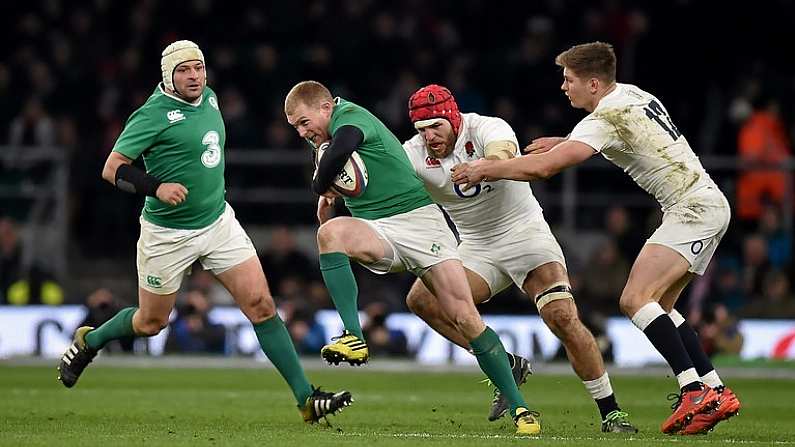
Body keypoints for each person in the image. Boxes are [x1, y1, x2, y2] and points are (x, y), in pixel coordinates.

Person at [451, 42, 741, 435]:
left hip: (690, 209)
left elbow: (546, 170)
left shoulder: (605, 117)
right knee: (664, 307)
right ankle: (713, 388)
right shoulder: (634, 94)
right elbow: (622, 139)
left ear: (592, 83)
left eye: (569, 80)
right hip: (707, 203)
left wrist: (488, 169)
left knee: (635, 299)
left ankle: (692, 389)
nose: (563, 87)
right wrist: (566, 140)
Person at [56, 41, 352, 424]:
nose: (194, 76)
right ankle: (89, 340)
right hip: (167, 233)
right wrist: (156, 187)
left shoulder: (209, 98)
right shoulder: (151, 115)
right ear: (168, 75)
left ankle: (306, 399)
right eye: (184, 70)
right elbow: (112, 168)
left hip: (217, 223)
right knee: (151, 322)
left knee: (262, 306)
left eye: (198, 67)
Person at [284, 80, 539, 435]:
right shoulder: (322, 142)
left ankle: (520, 408)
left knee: (464, 317)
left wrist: (318, 185)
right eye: (295, 126)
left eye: (303, 121)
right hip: (378, 228)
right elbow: (347, 172)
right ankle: (353, 336)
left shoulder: (351, 117)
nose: (301, 131)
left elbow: (345, 146)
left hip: (422, 226)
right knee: (330, 234)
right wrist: (329, 197)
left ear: (325, 107)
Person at [402, 84, 636, 432]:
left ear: (452, 116)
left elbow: (504, 154)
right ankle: (505, 362)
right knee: (421, 300)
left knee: (561, 316)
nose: (430, 136)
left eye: (436, 125)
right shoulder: (413, 153)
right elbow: (383, 182)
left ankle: (611, 412)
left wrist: (484, 167)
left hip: (524, 234)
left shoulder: (485, 127)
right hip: (475, 246)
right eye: (422, 129)